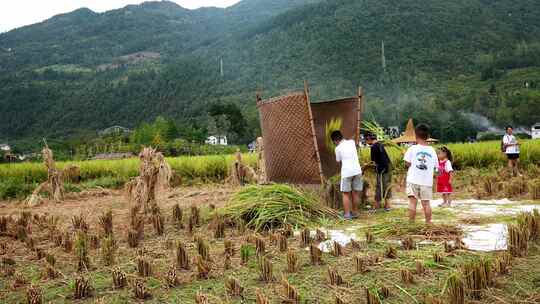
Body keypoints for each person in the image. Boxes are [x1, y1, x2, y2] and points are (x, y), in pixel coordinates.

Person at [403, 124, 439, 224]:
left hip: (413, 180)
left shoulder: (412, 148)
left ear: (415, 135)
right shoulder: (432, 150)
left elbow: (407, 163)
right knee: (426, 203)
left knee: (412, 202)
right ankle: (428, 222)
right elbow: (437, 168)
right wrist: (436, 178)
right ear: (428, 136)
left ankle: (411, 223)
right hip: (426, 182)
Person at [332, 130, 362, 220]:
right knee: (355, 192)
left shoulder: (337, 148)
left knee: (346, 194)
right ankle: (355, 212)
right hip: (357, 170)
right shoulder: (352, 142)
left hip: (347, 172)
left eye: (334, 142)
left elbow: (338, 160)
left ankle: (347, 214)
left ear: (335, 140)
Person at [366, 133, 392, 211]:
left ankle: (377, 206)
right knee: (387, 186)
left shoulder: (374, 147)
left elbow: (373, 162)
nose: (366, 142)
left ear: (369, 139)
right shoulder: (380, 145)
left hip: (382, 170)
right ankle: (387, 206)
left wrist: (365, 166)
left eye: (366, 140)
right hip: (388, 168)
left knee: (379, 187)